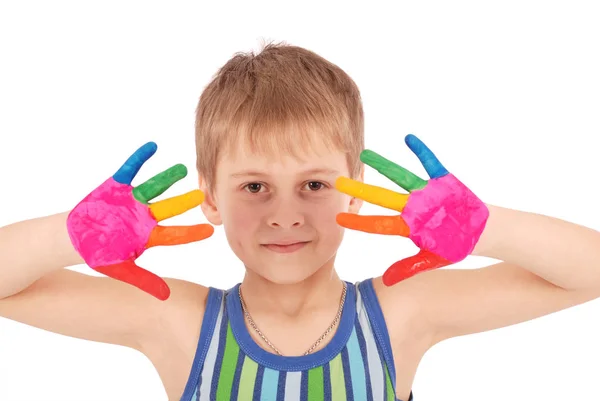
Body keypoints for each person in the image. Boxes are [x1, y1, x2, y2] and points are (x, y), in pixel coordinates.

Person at [1, 42, 600, 401]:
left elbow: (589, 273)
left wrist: (483, 228)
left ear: (357, 194)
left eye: (313, 185)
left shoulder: (401, 313)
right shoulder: (176, 321)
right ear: (210, 198)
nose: (284, 215)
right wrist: (71, 236)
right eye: (254, 186)